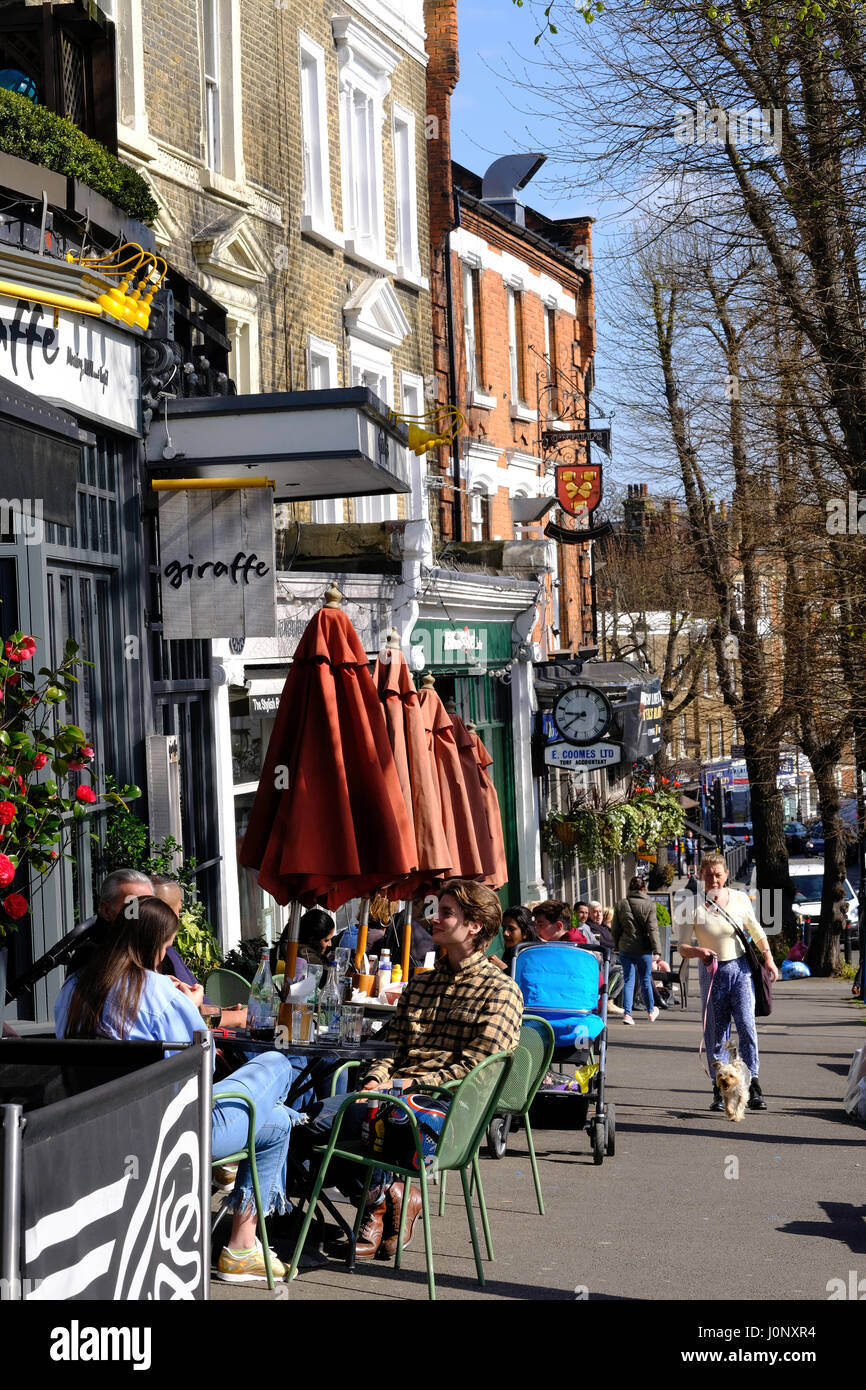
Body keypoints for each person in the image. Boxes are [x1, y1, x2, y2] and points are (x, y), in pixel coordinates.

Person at [55, 896, 299, 1284]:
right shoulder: (157, 992)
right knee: (277, 1064)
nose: (165, 954)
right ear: (155, 944)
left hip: (94, 1126)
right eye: (167, 946)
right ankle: (240, 1249)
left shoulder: (72, 988)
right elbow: (203, 1065)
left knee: (277, 1121)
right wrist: (193, 1005)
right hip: (173, 1132)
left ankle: (243, 1248)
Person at [294, 880, 523, 1261]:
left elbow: (476, 1070)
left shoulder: (500, 990)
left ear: (475, 926)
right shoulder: (420, 984)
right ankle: (382, 1197)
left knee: (368, 1124)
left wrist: (402, 1084)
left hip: (447, 1107)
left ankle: (376, 1201)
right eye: (435, 910)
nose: (434, 918)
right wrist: (375, 1079)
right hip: (391, 1095)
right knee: (303, 1124)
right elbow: (391, 1047)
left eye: (446, 912)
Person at [677, 851, 779, 1113]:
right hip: (711, 972)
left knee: (747, 1025)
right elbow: (682, 947)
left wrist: (768, 958)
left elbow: (755, 929)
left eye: (718, 875)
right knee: (716, 1032)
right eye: (708, 875)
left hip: (740, 969)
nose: (713, 879)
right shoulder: (691, 905)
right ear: (701, 875)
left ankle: (752, 1083)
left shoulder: (739, 898)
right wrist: (698, 951)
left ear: (726, 875)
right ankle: (719, 1087)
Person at [151, 875, 247, 1029]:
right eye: (178, 910)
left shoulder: (165, 953)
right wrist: (238, 1018)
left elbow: (195, 1008)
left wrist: (220, 1012)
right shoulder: (160, 958)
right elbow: (181, 1018)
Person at [66, 868, 154, 976]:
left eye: (150, 905)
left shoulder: (156, 947)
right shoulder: (91, 959)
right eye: (133, 907)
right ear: (106, 911)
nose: (145, 914)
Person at [612, 876, 662, 1025]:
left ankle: (627, 1015)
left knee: (629, 981)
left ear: (629, 887)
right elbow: (653, 929)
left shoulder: (621, 904)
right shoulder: (649, 905)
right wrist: (657, 950)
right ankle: (651, 1011)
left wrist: (617, 944)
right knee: (645, 980)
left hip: (625, 948)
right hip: (644, 949)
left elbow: (615, 928)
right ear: (643, 888)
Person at [271, 907, 336, 975]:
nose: (330, 944)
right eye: (326, 940)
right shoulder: (310, 960)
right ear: (312, 939)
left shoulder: (285, 949)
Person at [488, 905, 537, 972]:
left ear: (525, 933)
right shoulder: (510, 952)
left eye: (511, 929)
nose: (505, 933)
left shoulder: (535, 956)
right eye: (504, 928)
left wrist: (502, 966)